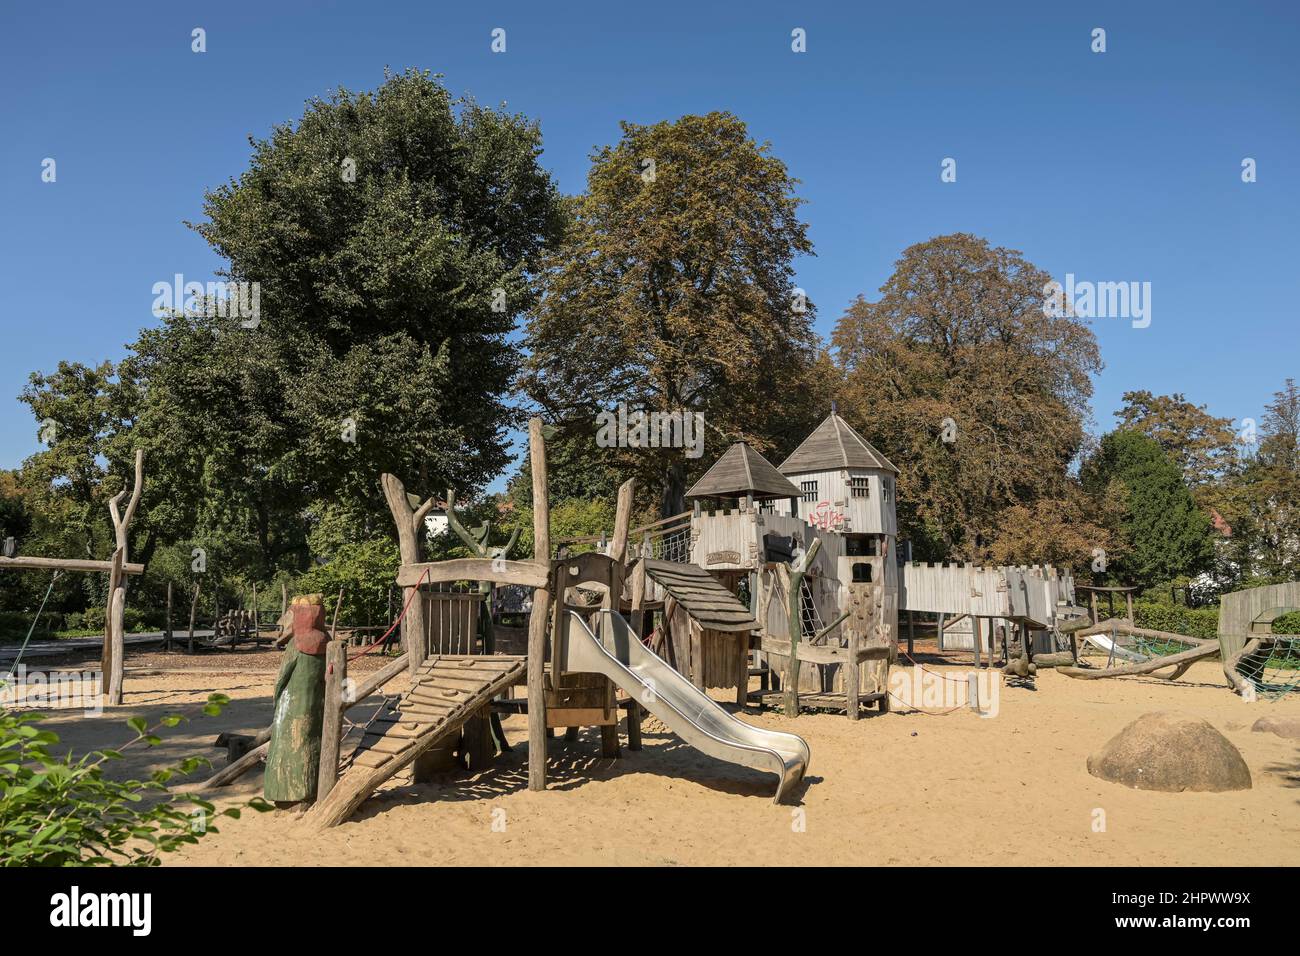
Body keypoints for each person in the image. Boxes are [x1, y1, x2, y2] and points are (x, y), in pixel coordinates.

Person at [264, 594, 329, 809]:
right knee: (310, 743)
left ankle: (285, 793)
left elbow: (282, 676)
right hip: (316, 705)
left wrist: (276, 699)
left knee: (286, 747)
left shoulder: (296, 643)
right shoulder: (327, 641)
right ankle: (308, 790)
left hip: (291, 706)